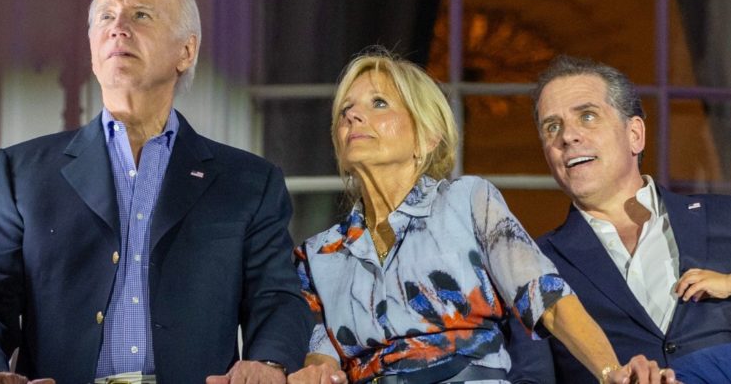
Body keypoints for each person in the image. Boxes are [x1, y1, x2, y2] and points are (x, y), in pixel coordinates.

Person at [0, 0, 311, 384]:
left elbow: (277, 296)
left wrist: (268, 362)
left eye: (141, 14)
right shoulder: (21, 173)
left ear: (186, 51)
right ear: (92, 47)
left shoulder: (250, 181)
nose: (118, 27)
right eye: (105, 15)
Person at [287, 49, 677, 384]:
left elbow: (548, 300)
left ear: (427, 136)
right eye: (345, 110)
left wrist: (611, 373)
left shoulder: (467, 201)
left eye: (379, 103)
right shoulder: (319, 255)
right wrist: (313, 370)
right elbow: (322, 356)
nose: (354, 117)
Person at [507, 55, 731, 384]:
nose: (567, 136)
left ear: (635, 135)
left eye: (587, 116)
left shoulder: (724, 216)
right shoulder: (532, 266)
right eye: (552, 126)